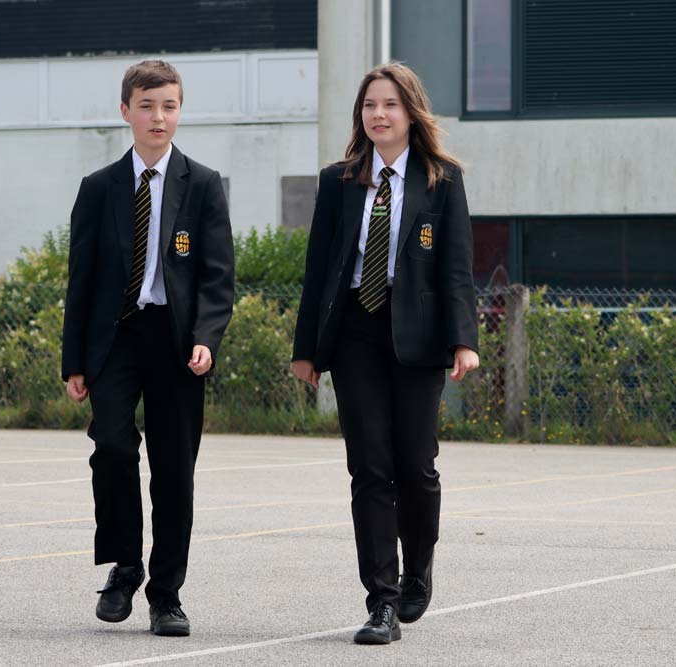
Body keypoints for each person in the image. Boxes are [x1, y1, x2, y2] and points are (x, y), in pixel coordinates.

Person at [291, 62, 480, 645]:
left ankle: (417, 568)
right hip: (355, 332)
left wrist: (464, 339)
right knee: (369, 467)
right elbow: (319, 268)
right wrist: (306, 349)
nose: (379, 114)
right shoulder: (338, 181)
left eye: (390, 105)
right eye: (370, 105)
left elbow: (456, 268)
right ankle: (382, 602)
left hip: (418, 335)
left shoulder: (442, 179)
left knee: (415, 466)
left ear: (411, 113)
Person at [61, 60, 234, 637]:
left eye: (169, 106)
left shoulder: (203, 184)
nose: (158, 117)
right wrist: (74, 361)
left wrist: (206, 337)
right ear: (126, 111)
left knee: (174, 469)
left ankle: (166, 595)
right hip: (114, 338)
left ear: (180, 112)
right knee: (111, 446)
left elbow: (217, 276)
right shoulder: (98, 187)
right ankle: (125, 565)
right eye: (147, 106)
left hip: (176, 341)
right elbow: (81, 279)